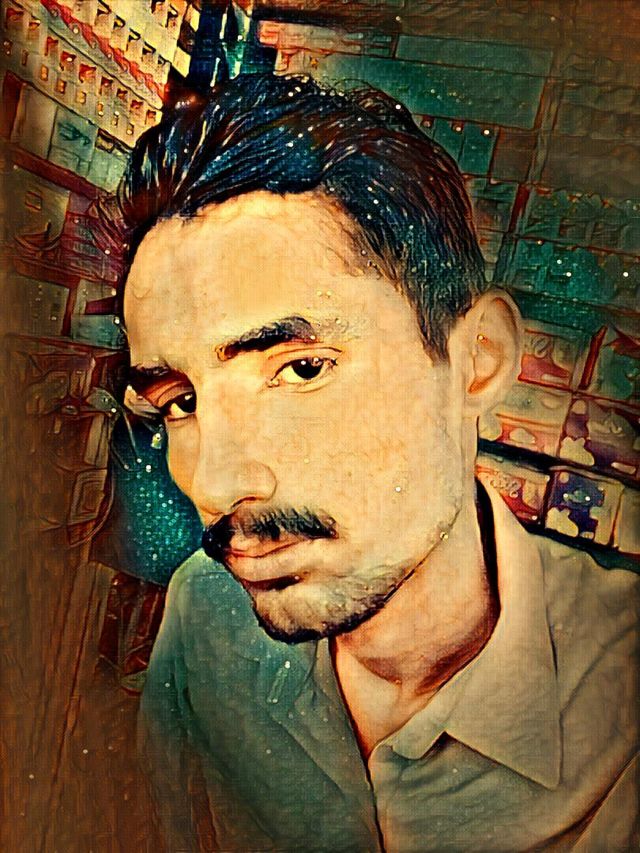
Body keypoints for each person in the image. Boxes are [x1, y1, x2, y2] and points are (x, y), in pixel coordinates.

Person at [103, 72, 638, 851]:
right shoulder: (204, 613)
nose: (214, 485)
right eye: (180, 400)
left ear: (478, 360)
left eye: (301, 369)